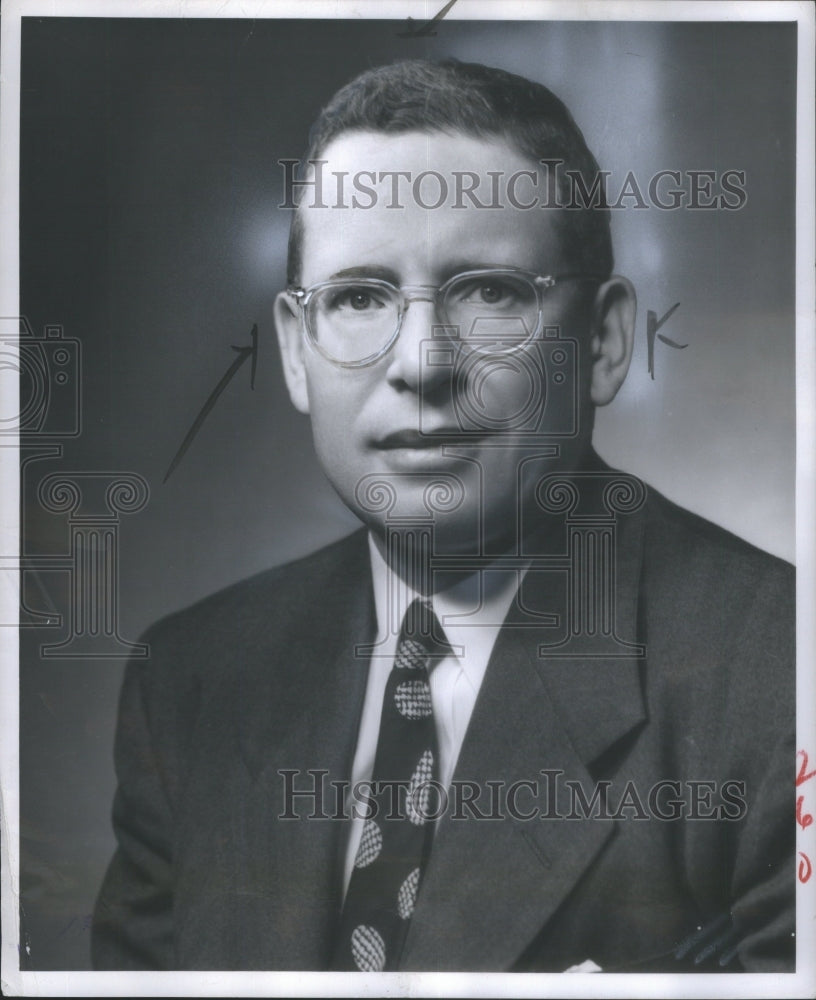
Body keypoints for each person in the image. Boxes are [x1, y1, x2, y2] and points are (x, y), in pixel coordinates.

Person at [91, 59, 794, 973]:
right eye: (358, 298)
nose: (422, 362)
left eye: (490, 292)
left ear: (605, 343)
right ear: (299, 356)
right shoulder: (190, 682)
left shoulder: (781, 678)